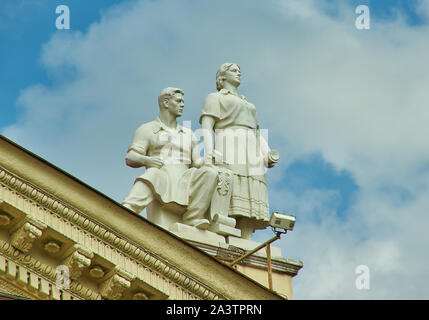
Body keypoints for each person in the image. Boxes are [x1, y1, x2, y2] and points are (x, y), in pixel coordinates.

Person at [200, 63, 278, 239]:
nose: (238, 73)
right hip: (230, 141)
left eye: (239, 71)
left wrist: (267, 152)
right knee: (232, 185)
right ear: (222, 76)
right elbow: (207, 125)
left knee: (251, 189)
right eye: (234, 70)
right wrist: (210, 151)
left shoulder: (247, 103)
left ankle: (246, 239)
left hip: (251, 147)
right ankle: (225, 233)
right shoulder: (214, 98)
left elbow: (257, 132)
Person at [122, 87, 218, 230]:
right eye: (178, 101)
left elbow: (197, 162)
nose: (182, 105)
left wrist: (211, 159)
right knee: (152, 175)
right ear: (166, 103)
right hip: (162, 173)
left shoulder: (188, 133)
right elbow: (131, 157)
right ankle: (125, 211)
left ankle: (193, 217)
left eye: (183, 102)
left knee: (210, 173)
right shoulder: (148, 129)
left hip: (185, 177)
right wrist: (147, 160)